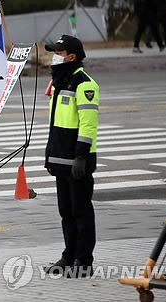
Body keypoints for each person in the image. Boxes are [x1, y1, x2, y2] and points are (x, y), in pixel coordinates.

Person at [43, 35, 99, 278]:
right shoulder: (59, 83)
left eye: (59, 51)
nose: (54, 56)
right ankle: (69, 255)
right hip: (60, 158)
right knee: (65, 211)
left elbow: (88, 126)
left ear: (72, 56)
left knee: (81, 211)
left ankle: (84, 260)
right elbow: (55, 125)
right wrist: (50, 156)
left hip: (77, 160)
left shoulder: (84, 84)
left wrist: (80, 156)